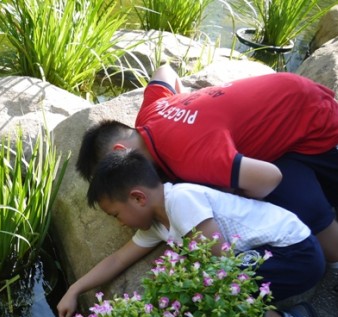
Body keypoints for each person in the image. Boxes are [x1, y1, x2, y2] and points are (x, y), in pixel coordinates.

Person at [57, 149, 335, 317]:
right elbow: (118, 259)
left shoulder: (181, 200)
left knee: (217, 285)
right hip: (275, 255)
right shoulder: (156, 223)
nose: (120, 223)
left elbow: (220, 266)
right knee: (212, 287)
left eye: (116, 214)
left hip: (294, 252)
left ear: (138, 198)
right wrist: (74, 290)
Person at [75, 65, 338, 266]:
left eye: (113, 172)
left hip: (310, 119)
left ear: (121, 150)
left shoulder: (190, 156)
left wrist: (228, 191)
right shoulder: (148, 115)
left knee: (330, 250)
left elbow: (268, 180)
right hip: (283, 96)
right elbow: (165, 70)